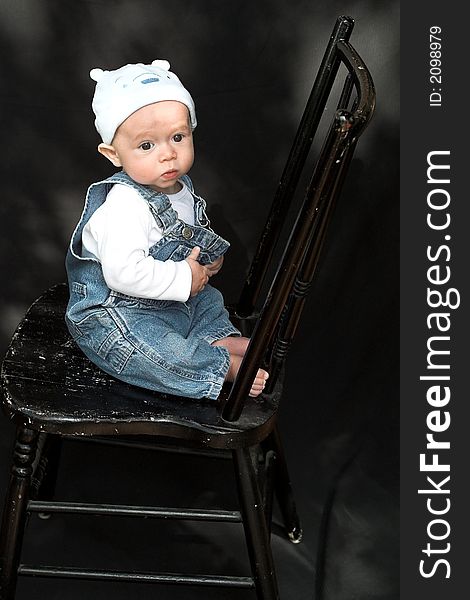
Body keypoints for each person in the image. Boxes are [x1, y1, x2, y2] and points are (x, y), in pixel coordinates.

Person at [65, 59, 268, 400]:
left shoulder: (179, 186)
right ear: (113, 154)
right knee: (151, 353)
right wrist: (184, 278)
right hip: (119, 313)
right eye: (147, 145)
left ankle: (214, 336)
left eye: (178, 137)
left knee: (207, 302)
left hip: (169, 301)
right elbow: (123, 274)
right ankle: (220, 365)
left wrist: (204, 262)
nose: (168, 155)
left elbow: (183, 236)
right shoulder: (124, 207)